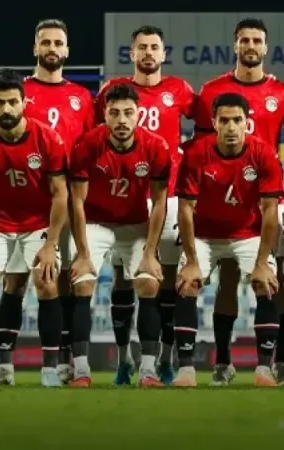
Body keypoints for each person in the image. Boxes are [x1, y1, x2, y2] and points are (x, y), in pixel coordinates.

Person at [193, 17, 284, 386]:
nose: (251, 46)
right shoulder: (211, 91)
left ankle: (278, 359)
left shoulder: (283, 93)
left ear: (265, 47)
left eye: (257, 40)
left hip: (267, 198)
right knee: (226, 281)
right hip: (222, 199)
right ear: (235, 45)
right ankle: (223, 362)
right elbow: (202, 147)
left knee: (275, 278)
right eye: (244, 40)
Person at [0, 19, 95, 386]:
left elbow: (91, 148)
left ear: (67, 50)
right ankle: (5, 365)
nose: (52, 48)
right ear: (35, 48)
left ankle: (65, 360)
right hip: (26, 203)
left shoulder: (83, 97)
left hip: (69, 202)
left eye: (58, 42)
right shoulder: (19, 92)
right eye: (45, 42)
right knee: (16, 282)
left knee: (65, 281)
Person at [94, 25, 195, 385]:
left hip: (167, 197)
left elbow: (206, 128)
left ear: (163, 54)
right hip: (123, 198)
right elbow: (96, 136)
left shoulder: (180, 90)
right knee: (123, 279)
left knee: (162, 281)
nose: (149, 53)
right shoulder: (113, 91)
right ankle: (124, 360)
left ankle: (163, 359)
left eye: (155, 47)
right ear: (131, 53)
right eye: (142, 47)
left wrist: (185, 157)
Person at [0, 69, 68, 387]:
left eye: (12, 102)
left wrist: (51, 244)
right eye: (0, 103)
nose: (6, 109)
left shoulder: (48, 138)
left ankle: (50, 370)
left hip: (37, 224)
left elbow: (60, 194)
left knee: (47, 283)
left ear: (24, 102)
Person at [173, 93, 283, 387]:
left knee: (266, 283)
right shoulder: (196, 153)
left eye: (237, 120)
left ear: (247, 122)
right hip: (204, 235)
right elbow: (185, 209)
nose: (231, 127)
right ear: (214, 123)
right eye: (224, 120)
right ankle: (186, 369)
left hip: (247, 233)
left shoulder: (264, 153)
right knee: (187, 283)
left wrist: (262, 262)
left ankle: (264, 368)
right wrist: (192, 261)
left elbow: (270, 210)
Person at [68, 84, 170, 387]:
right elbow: (77, 201)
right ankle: (81, 370)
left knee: (149, 283)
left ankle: (148, 370)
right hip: (96, 223)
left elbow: (159, 202)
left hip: (135, 223)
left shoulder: (156, 146)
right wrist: (83, 254)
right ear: (105, 115)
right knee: (82, 282)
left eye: (128, 113)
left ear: (139, 114)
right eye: (114, 113)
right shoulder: (87, 144)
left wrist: (150, 253)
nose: (122, 120)